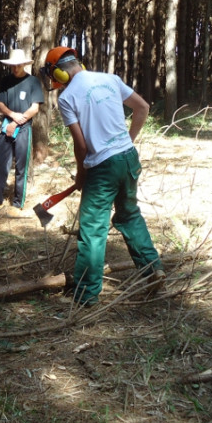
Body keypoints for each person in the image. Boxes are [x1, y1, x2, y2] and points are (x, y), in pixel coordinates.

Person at [43, 46, 164, 306]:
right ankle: (154, 269)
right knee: (129, 215)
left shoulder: (67, 97)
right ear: (78, 64)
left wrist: (81, 173)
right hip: (129, 159)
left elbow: (82, 146)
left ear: (59, 74)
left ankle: (86, 294)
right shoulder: (111, 79)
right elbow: (142, 107)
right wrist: (126, 142)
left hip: (102, 167)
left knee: (93, 228)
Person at [0, 49, 42, 210]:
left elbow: (35, 108)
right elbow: (0, 103)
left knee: (21, 166)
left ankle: (17, 202)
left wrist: (20, 120)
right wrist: (12, 115)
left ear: (24, 64)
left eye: (18, 65)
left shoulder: (33, 82)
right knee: (0, 164)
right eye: (12, 66)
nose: (15, 68)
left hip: (24, 128)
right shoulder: (6, 81)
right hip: (7, 126)